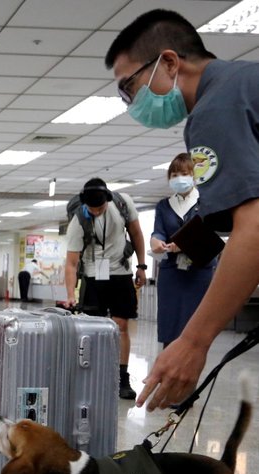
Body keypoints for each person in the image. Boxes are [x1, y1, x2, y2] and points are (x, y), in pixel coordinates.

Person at [105, 9, 259, 413]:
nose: (131, 104)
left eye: (129, 88)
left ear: (170, 63)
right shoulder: (245, 81)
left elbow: (255, 227)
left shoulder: (215, 109)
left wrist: (193, 341)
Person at [62, 178, 147, 399]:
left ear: (107, 200)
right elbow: (71, 263)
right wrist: (70, 294)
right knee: (92, 330)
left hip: (121, 273)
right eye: (92, 209)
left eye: (100, 208)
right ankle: (94, 375)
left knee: (121, 326)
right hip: (93, 277)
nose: (97, 212)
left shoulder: (122, 204)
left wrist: (142, 266)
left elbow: (137, 234)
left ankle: (122, 378)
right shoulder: (78, 221)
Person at [150, 153, 216, 348]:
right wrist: (156, 241)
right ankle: (167, 373)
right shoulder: (164, 205)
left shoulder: (206, 202)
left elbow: (212, 235)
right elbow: (159, 231)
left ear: (194, 176)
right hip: (171, 272)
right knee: (170, 325)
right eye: (174, 175)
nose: (179, 178)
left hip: (199, 271)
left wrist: (186, 243)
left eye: (184, 173)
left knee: (195, 327)